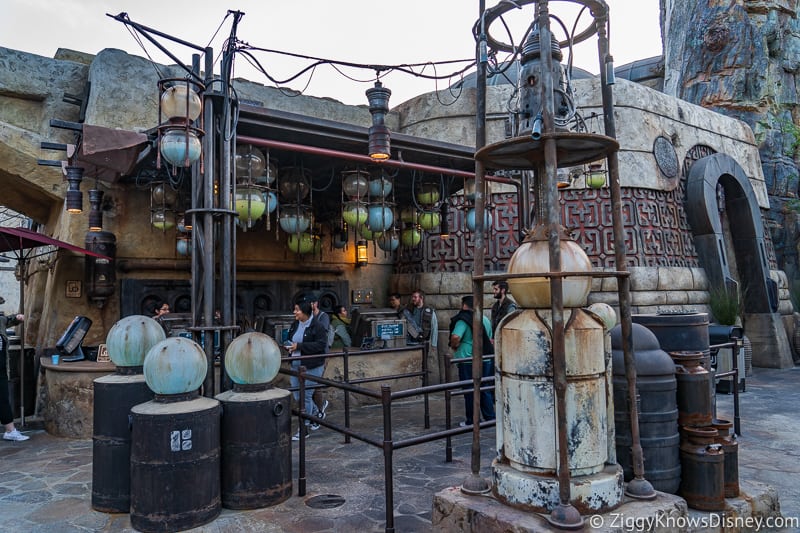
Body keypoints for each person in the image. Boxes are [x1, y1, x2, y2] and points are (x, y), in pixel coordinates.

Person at [285, 299, 328, 441]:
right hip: (295, 364)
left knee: (306, 397)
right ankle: (316, 414)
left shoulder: (318, 326)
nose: (294, 312)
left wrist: (300, 346)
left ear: (305, 311)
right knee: (297, 396)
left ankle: (304, 428)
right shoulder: (295, 324)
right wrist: (289, 346)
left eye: (297, 310)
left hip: (312, 366)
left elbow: (321, 345)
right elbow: (291, 338)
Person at [449, 295, 495, 426]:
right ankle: (490, 417)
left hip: (468, 360)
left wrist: (454, 345)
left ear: (464, 305)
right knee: (484, 388)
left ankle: (472, 420)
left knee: (469, 391)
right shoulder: (485, 319)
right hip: (485, 359)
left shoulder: (463, 320)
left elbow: (456, 336)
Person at [0, 304, 28, 442]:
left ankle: (10, 431)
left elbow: (8, 319)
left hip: (1, 369)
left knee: (3, 398)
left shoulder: (0, 320)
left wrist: (17, 318)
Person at [307, 292, 331, 422]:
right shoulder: (308, 317)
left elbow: (320, 332)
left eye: (310, 303)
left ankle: (319, 411)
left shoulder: (324, 316)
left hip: (321, 354)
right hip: (310, 355)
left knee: (315, 385)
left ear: (315, 303)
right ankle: (316, 411)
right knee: (308, 385)